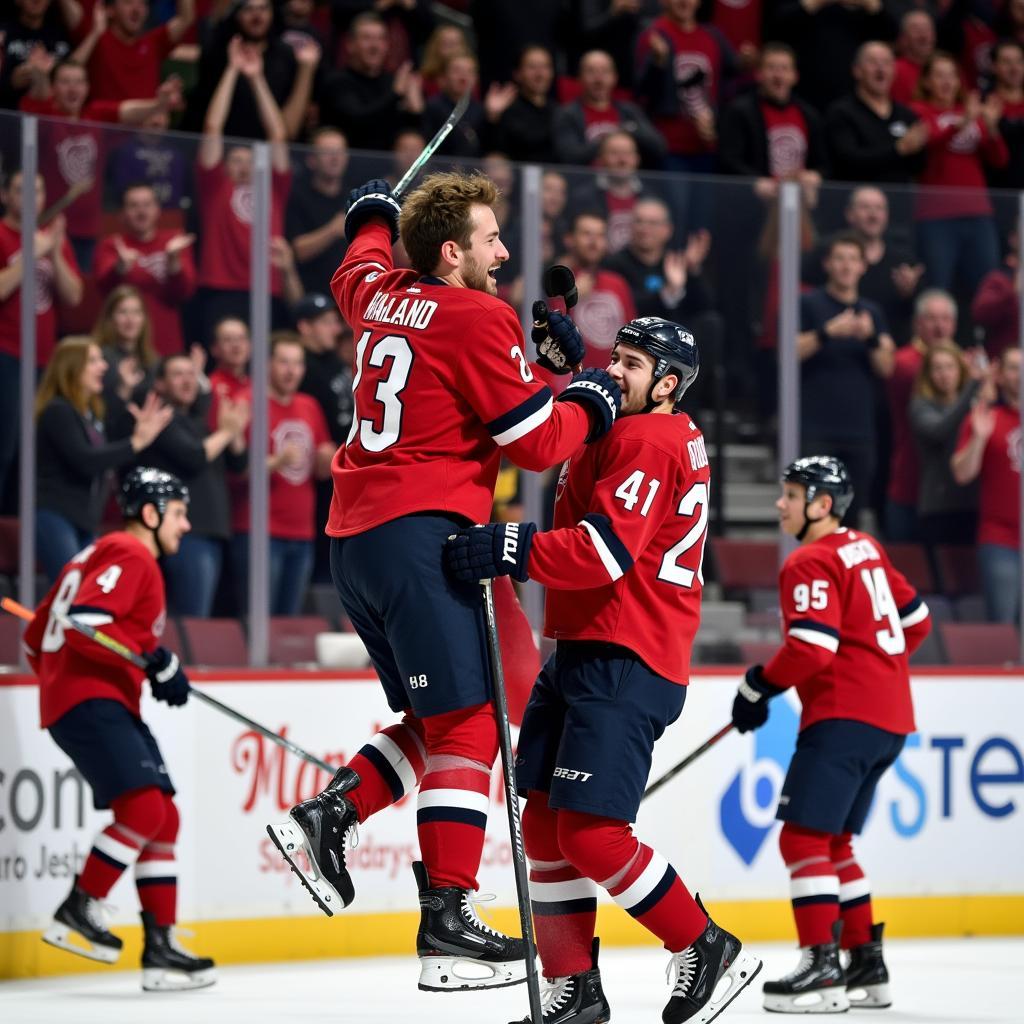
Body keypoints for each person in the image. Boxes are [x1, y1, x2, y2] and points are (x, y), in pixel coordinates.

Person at [265, 171, 621, 993]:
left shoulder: (381, 293)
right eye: (492, 240)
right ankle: (448, 918)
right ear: (453, 250)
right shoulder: (477, 314)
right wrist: (592, 394)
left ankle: (334, 810)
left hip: (361, 539)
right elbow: (536, 443)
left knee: (509, 686)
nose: (505, 253)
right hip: (424, 535)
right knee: (468, 722)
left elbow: (353, 267)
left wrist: (370, 214)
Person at [444, 317, 762, 1024]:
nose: (616, 372)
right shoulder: (639, 426)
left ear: (670, 385)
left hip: (627, 656)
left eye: (631, 363)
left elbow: (603, 552)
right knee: (549, 826)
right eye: (614, 357)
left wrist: (508, 545)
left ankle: (702, 942)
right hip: (590, 646)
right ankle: (577, 988)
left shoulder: (651, 439)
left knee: (590, 833)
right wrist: (574, 368)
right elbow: (578, 431)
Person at [731, 455, 931, 1014]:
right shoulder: (866, 547)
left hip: (843, 717)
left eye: (791, 495)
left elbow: (812, 650)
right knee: (834, 842)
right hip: (889, 720)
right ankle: (867, 964)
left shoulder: (809, 561)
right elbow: (917, 622)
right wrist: (878, 672)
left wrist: (757, 687)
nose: (780, 504)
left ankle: (821, 966)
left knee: (801, 840)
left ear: (822, 505)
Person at [24, 466, 215, 991]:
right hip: (93, 700)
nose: (186, 525)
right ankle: (80, 907)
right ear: (150, 514)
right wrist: (152, 657)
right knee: (146, 809)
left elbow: (38, 634)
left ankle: (161, 949)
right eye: (178, 513)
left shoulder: (94, 555)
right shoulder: (132, 555)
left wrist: (139, 665)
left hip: (86, 699)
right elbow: (87, 623)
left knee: (164, 816)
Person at [34, 336, 172, 583]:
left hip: (85, 519)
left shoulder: (89, 414)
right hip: (56, 514)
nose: (104, 366)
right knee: (72, 590)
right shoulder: (59, 410)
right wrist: (136, 442)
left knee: (85, 594)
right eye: (94, 360)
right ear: (72, 367)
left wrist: (125, 398)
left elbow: (109, 451)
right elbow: (86, 460)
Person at [195, 35, 295, 346]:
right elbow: (213, 128)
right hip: (221, 288)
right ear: (224, 165)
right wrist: (232, 70)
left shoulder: (273, 187)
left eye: (249, 160)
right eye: (234, 159)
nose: (242, 165)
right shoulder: (216, 186)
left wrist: (256, 78)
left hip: (267, 288)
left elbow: (277, 133)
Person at [134, 354, 249, 617]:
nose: (187, 381)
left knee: (202, 615)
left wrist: (234, 432)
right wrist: (227, 431)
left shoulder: (200, 422)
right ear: (160, 384)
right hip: (185, 532)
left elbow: (240, 464)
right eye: (177, 374)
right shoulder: (161, 419)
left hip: (213, 530)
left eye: (191, 374)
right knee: (191, 617)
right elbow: (195, 456)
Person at [230, 332, 333, 616]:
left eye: (297, 364)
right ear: (267, 365)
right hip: (259, 530)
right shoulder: (247, 401)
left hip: (302, 531)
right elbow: (235, 470)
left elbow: (320, 470)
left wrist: (326, 459)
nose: (291, 371)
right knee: (258, 620)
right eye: (284, 363)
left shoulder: (309, 405)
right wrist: (278, 461)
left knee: (287, 623)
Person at [798, 233, 895, 526]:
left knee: (851, 519)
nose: (846, 266)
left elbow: (887, 366)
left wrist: (871, 337)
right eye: (840, 259)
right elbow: (789, 352)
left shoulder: (872, 312)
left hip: (860, 432)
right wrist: (828, 332)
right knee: (813, 517)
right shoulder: (809, 304)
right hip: (816, 429)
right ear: (828, 264)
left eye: (853, 259)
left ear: (863, 266)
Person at [0, 169, 83, 506]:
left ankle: (21, 527)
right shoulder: (4, 234)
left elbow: (74, 295)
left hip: (44, 361)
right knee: (4, 444)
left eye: (37, 190)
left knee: (32, 450)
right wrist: (34, 252)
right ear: (5, 196)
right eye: (21, 190)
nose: (30, 197)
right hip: (6, 353)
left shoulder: (51, 239)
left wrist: (53, 253)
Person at [951, 348, 1022, 624]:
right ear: (1001, 376)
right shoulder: (985, 418)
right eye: (1014, 368)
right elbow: (962, 474)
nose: (1021, 376)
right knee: (1004, 630)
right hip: (1000, 540)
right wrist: (979, 438)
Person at [94, 182, 197, 358]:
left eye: (147, 205)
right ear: (122, 214)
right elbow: (104, 290)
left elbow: (184, 293)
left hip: (166, 344)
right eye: (133, 206)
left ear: (157, 210)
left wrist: (173, 263)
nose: (141, 212)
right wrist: (119, 268)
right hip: (123, 348)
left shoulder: (174, 243)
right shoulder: (112, 245)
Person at [824, 41, 928, 186]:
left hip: (900, 203)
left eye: (886, 63)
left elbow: (917, 168)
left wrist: (919, 146)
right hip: (858, 202)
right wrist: (898, 149)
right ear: (857, 70)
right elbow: (848, 161)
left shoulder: (907, 115)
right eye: (872, 62)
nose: (880, 69)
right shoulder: (841, 112)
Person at [910, 342, 982, 548]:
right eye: (937, 368)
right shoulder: (921, 405)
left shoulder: (975, 403)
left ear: (960, 370)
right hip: (939, 508)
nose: (945, 374)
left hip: (973, 504)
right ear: (928, 374)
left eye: (950, 367)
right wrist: (972, 386)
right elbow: (939, 430)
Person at [553, 49, 666, 169]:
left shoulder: (630, 111)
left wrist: (630, 131)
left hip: (628, 184)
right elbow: (570, 157)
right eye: (591, 72)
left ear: (614, 77)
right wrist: (612, 137)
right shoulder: (567, 114)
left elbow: (659, 147)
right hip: (586, 182)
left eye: (605, 72)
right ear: (579, 78)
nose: (599, 79)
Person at [286, 127, 350, 297]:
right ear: (311, 160)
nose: (335, 158)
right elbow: (298, 250)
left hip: (350, 296)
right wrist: (333, 230)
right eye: (327, 152)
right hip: (313, 296)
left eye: (339, 152)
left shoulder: (355, 197)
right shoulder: (298, 197)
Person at [92, 284, 160, 430]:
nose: (131, 320)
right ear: (110, 318)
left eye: (136, 313)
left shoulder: (152, 359)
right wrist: (124, 390)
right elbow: (103, 417)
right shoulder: (99, 358)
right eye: (123, 312)